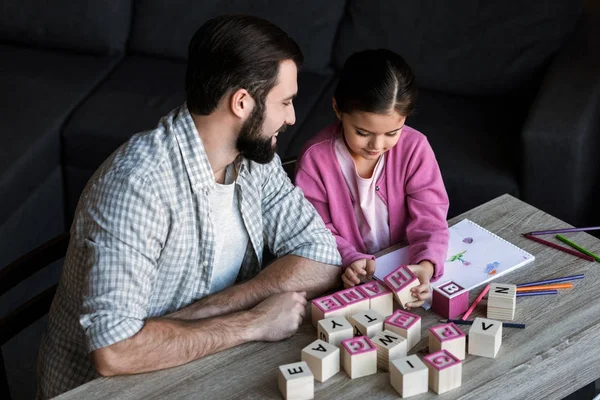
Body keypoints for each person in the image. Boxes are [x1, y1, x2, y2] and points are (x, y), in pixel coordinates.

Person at [36, 15, 342, 399]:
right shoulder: (138, 186)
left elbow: (322, 257)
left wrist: (206, 312)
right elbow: (114, 350)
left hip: (202, 369)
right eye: (285, 102)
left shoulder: (254, 162)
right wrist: (250, 323)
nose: (292, 117)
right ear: (242, 103)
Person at [295, 49, 449, 308]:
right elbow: (316, 229)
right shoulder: (315, 159)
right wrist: (349, 258)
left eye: (392, 132)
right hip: (347, 277)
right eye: (362, 132)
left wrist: (426, 264)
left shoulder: (415, 148)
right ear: (338, 109)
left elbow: (431, 218)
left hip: (402, 270)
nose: (377, 145)